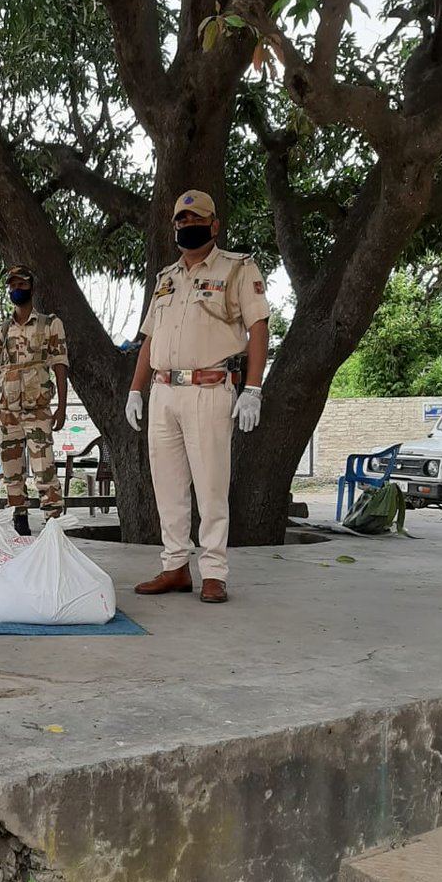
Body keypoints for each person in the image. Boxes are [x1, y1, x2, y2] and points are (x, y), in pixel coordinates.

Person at [125, 190, 269, 603]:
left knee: (210, 486)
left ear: (215, 225)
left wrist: (253, 389)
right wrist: (136, 389)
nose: (188, 227)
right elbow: (150, 338)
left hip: (209, 388)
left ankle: (214, 572)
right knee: (167, 486)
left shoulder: (237, 268)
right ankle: (174, 567)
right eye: (181, 222)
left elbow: (258, 328)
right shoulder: (166, 278)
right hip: (164, 390)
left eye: (196, 220)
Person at [0, 266, 68, 536]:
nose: (16, 288)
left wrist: (62, 407)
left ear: (32, 287)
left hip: (37, 410)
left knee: (44, 470)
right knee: (11, 472)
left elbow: (60, 364)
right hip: (7, 411)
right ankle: (19, 523)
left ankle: (54, 527)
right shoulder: (2, 330)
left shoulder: (50, 324)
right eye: (12, 284)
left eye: (21, 283)